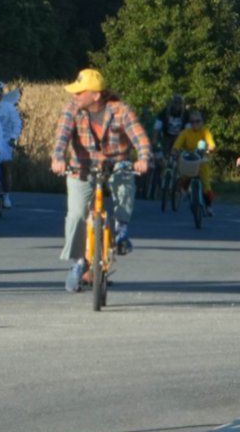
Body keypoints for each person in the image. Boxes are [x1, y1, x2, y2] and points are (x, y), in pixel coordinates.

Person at [50, 68, 151, 292]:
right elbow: (61, 138)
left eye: (80, 92)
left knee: (125, 184)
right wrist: (58, 158)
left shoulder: (121, 111)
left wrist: (143, 158)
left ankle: (121, 229)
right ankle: (78, 262)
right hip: (81, 168)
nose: (75, 96)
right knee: (76, 215)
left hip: (116, 165)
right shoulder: (71, 111)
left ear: (95, 95)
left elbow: (140, 139)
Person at [172, 109, 217, 215]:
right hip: (189, 159)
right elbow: (177, 145)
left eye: (198, 121)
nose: (195, 124)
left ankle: (209, 207)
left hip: (202, 160)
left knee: (206, 184)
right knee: (184, 177)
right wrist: (174, 151)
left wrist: (210, 149)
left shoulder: (205, 132)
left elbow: (212, 144)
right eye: (192, 122)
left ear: (202, 122)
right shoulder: (185, 132)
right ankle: (185, 192)